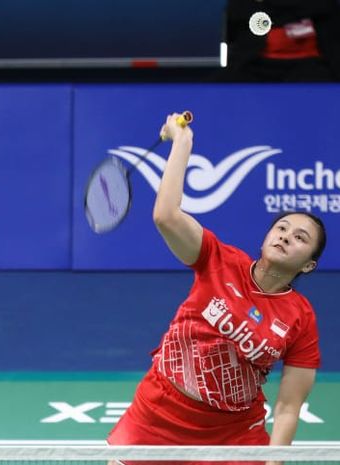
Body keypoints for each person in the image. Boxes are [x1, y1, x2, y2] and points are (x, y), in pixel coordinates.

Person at [106, 113, 327, 463]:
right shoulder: (218, 259)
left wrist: (274, 460)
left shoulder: (301, 317)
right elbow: (166, 215)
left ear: (308, 265)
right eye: (282, 228)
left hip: (233, 434)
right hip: (157, 417)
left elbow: (288, 406)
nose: (286, 236)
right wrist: (182, 143)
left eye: (300, 238)